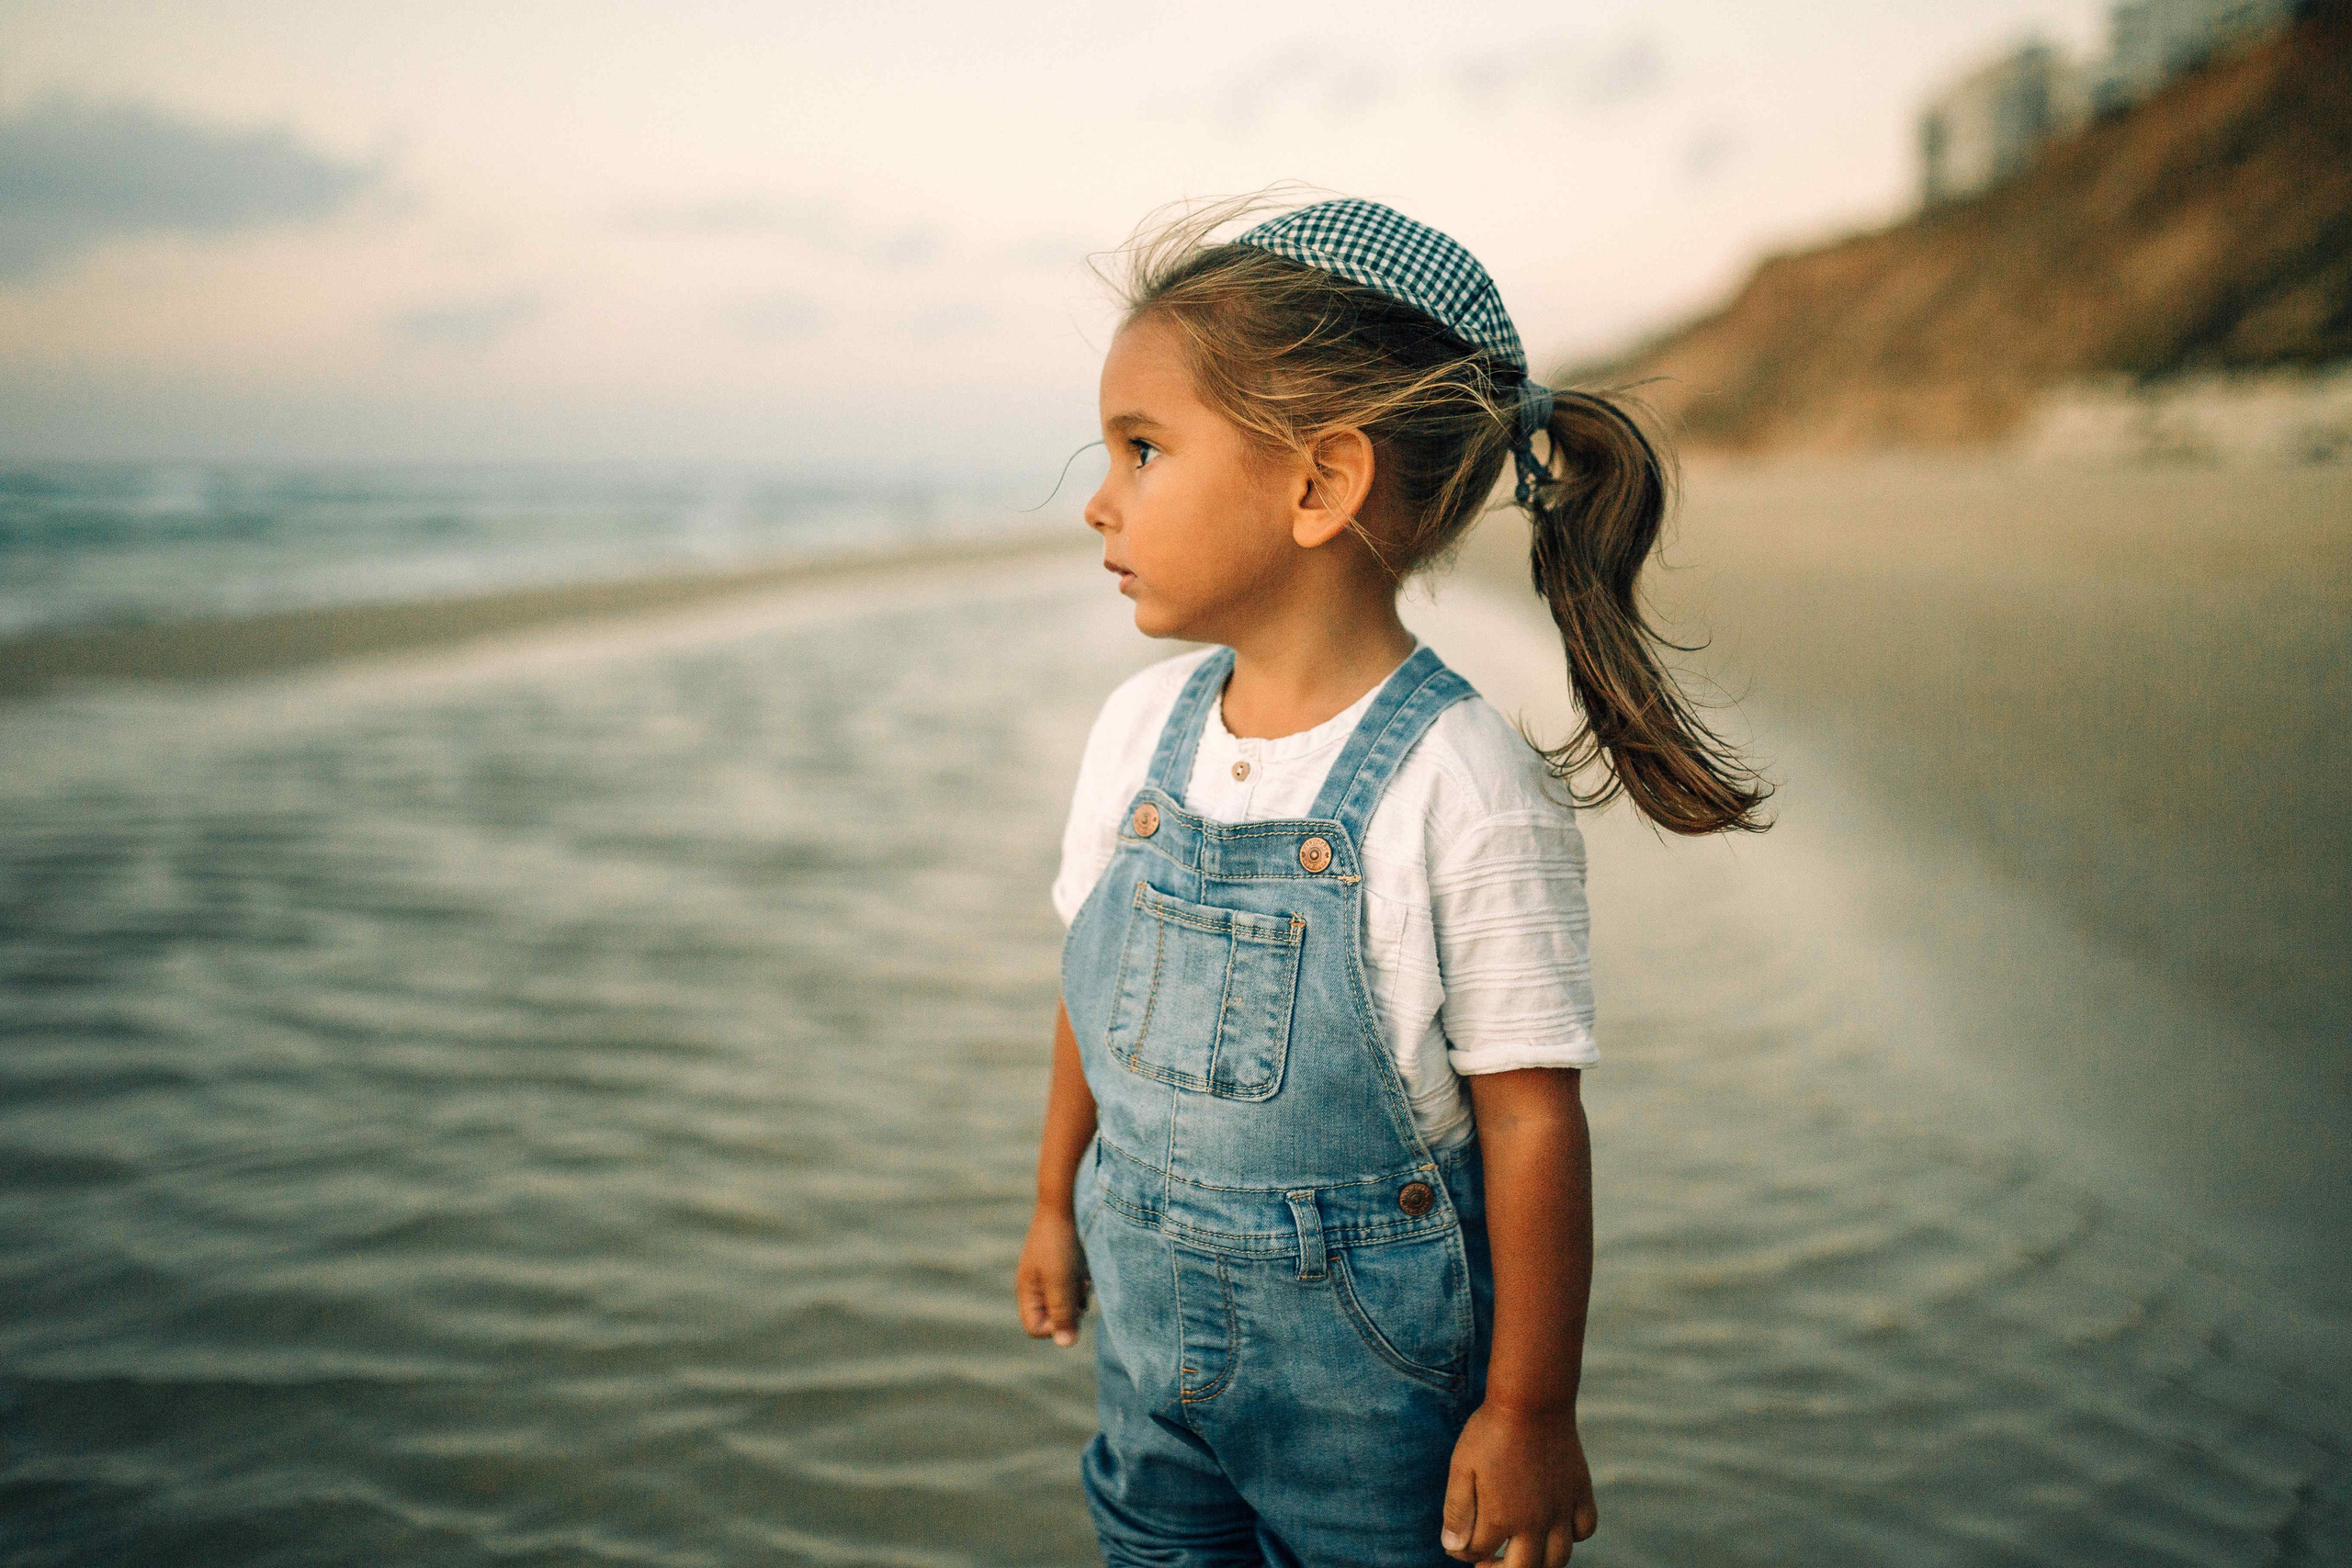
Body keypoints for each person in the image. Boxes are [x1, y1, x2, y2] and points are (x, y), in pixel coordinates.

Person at [1015, 197, 1769, 1568]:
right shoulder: (1139, 734)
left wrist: (1532, 1410)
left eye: (1143, 448)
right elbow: (1092, 981)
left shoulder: (1460, 782)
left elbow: (1533, 1123)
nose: (1100, 498)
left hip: (1368, 1409)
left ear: (1321, 484)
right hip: (1145, 1362)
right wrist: (1053, 1199)